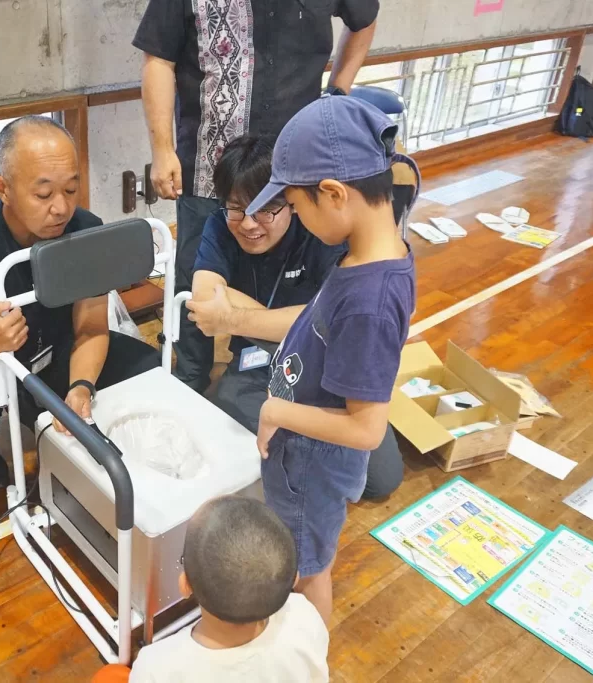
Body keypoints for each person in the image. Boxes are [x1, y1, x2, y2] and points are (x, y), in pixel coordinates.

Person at [133, 0, 379, 394]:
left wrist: (338, 90)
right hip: (209, 166)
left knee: (304, 273)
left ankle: (292, 359)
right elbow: (158, 58)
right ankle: (191, 377)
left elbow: (364, 19)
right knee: (195, 274)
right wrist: (162, 150)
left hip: (295, 170)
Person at [0, 116, 161, 490]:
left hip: (54, 347)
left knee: (148, 367)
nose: (61, 209)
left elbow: (92, 326)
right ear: (2, 188)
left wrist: (81, 387)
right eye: (44, 195)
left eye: (70, 189)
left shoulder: (86, 231)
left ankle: (56, 414)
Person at [250, 96, 418, 625]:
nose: (296, 220)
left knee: (306, 569)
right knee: (302, 555)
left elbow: (367, 429)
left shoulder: (369, 300)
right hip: (304, 455)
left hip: (312, 464)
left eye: (297, 208)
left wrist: (276, 411)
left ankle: (307, 658)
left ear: (333, 193)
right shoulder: (372, 250)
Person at [186, 134, 404, 500]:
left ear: (291, 203)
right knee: (227, 412)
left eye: (267, 209)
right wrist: (302, 319)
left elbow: (335, 320)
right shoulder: (219, 226)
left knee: (382, 480)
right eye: (236, 208)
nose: (249, 224)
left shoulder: (320, 231)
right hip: (259, 365)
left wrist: (235, 318)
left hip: (325, 368)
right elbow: (206, 298)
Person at [92, 495, 329, 683]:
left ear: (185, 586)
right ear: (294, 579)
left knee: (108, 676)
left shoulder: (158, 666)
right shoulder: (304, 616)